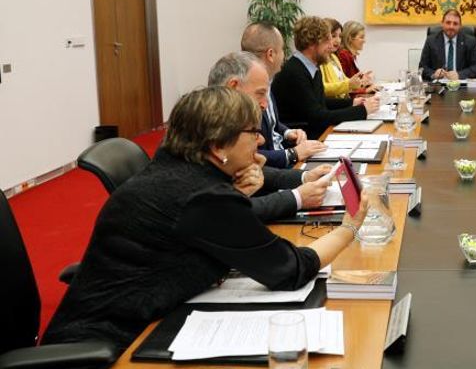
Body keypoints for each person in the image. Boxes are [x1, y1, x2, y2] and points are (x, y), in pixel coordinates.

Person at [42, 86, 367, 358]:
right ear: (216, 146)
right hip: (112, 346)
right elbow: (290, 269)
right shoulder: (202, 196)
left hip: (131, 317)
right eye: (252, 133)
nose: (260, 142)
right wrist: (350, 226)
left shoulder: (175, 169)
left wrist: (237, 194)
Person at [207, 52, 331, 214]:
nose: (265, 104)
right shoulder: (210, 129)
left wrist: (305, 177)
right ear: (233, 87)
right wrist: (297, 198)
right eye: (260, 94)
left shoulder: (223, 123)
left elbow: (255, 170)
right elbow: (223, 212)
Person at [273, 16, 380, 139]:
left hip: (315, 134)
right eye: (327, 41)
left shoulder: (312, 67)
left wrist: (352, 102)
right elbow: (318, 117)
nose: (331, 46)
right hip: (304, 139)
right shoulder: (294, 72)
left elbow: (320, 102)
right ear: (312, 44)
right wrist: (362, 110)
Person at [239, 23, 325, 168]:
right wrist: (293, 153)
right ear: (271, 54)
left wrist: (287, 132)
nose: (285, 56)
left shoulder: (269, 80)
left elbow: (272, 123)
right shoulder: (245, 90)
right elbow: (249, 153)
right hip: (274, 168)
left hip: (284, 159)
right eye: (283, 50)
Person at [418, 9, 476, 80]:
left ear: (460, 26)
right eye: (448, 23)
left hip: (462, 85)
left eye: (455, 24)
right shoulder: (431, 41)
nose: (451, 27)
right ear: (442, 23)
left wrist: (459, 75)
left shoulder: (470, 41)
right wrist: (434, 74)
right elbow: (422, 67)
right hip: (438, 85)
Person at [320, 18, 374, 100]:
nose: (338, 40)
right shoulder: (342, 55)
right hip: (338, 104)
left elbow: (345, 81)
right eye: (333, 36)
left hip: (344, 101)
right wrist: (363, 88)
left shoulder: (334, 57)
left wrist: (361, 82)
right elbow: (324, 88)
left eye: (340, 36)